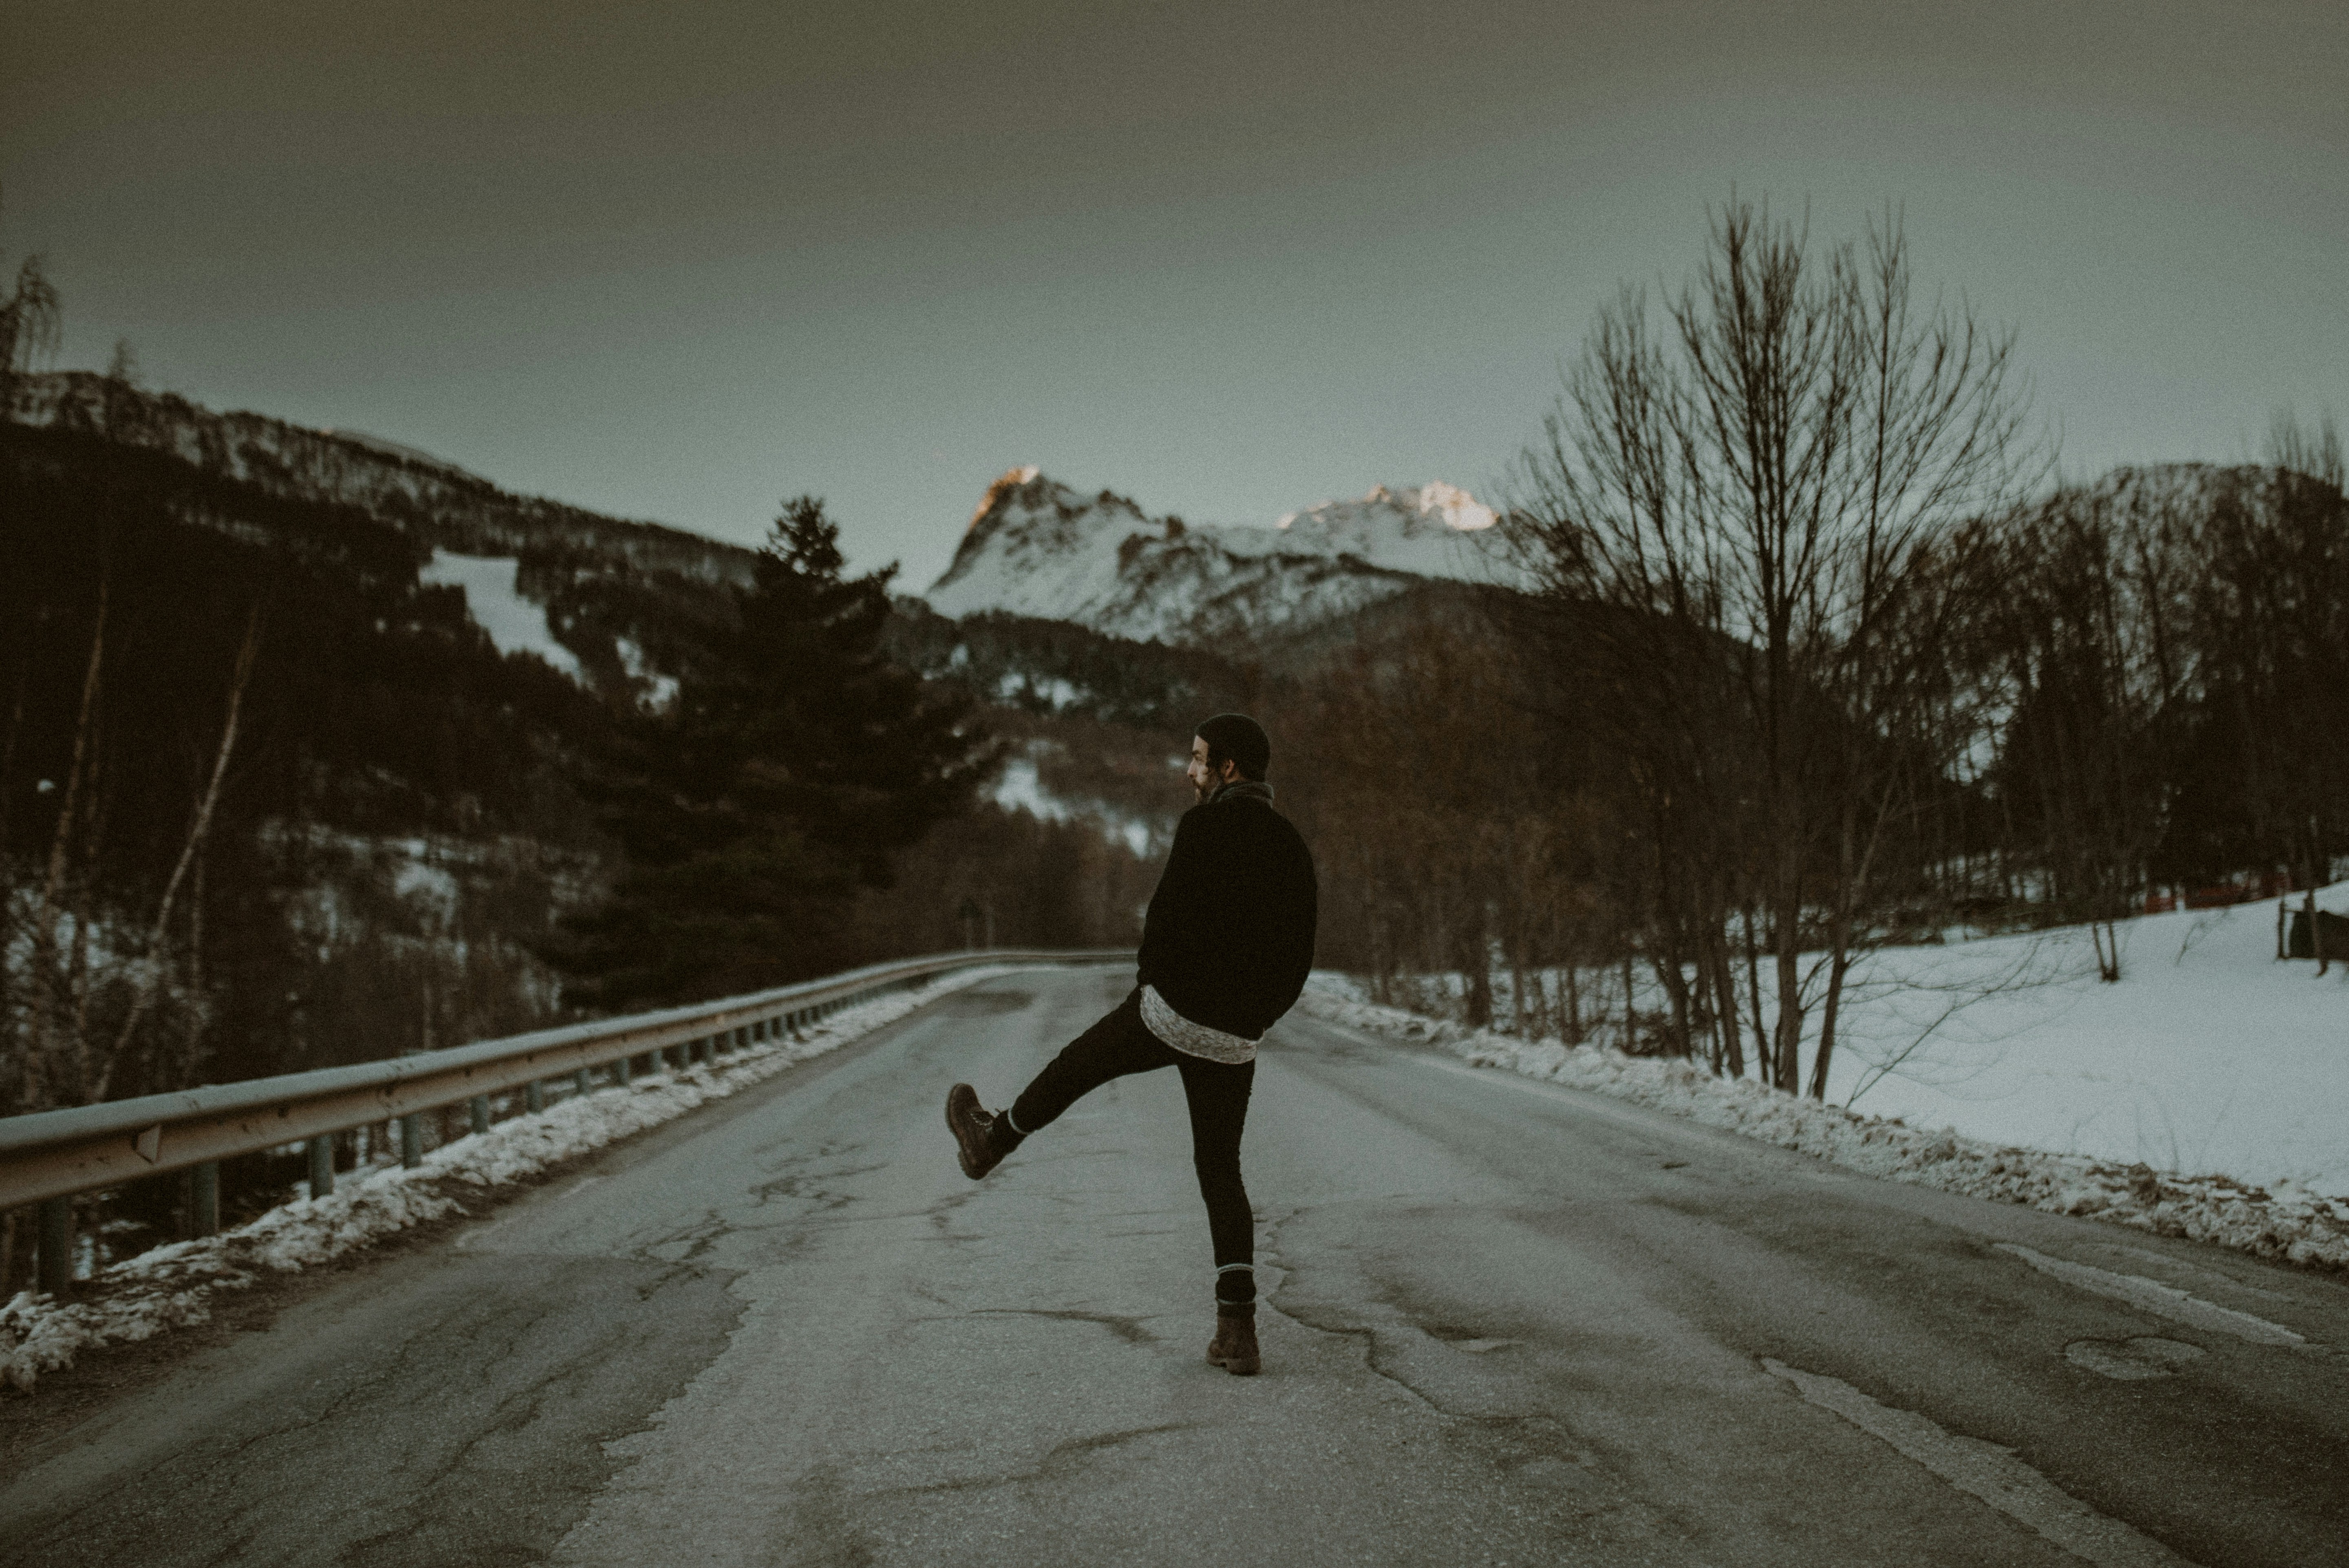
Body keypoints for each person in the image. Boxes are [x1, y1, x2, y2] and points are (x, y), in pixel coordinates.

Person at [946, 712, 1317, 1376]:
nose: (1189, 769)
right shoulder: (1290, 844)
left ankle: (990, 1140)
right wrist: (1257, 1018)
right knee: (1220, 1170)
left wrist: (1155, 984)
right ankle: (1237, 1330)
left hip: (1172, 1011)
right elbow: (1298, 953)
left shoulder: (1203, 825)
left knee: (1074, 1067)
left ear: (1228, 768)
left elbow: (1168, 914)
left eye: (1199, 758)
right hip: (1233, 1036)